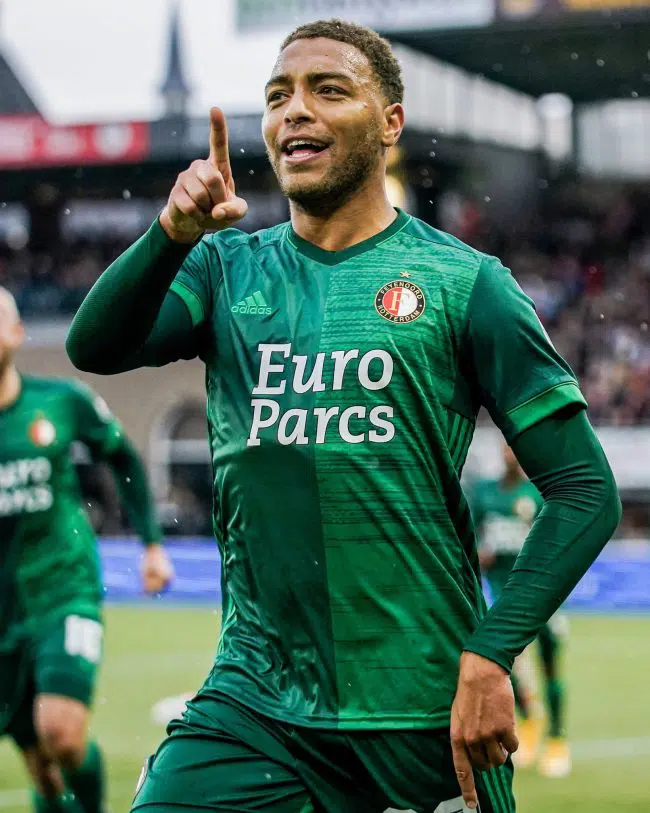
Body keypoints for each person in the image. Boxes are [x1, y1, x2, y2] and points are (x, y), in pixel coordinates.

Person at [66, 18, 620, 813]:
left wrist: (492, 653)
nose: (295, 110)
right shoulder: (225, 269)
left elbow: (586, 490)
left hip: (419, 710)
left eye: (329, 90)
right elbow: (94, 345)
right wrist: (170, 234)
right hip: (254, 703)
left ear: (390, 123)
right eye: (278, 96)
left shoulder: (467, 284)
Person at [0, 286, 173, 813]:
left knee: (62, 734)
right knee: (43, 768)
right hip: (4, 610)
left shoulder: (60, 402)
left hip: (62, 588)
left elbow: (121, 455)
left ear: (17, 333)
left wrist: (151, 544)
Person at [471, 444, 571, 778]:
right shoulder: (484, 494)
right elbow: (468, 537)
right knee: (506, 667)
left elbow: (556, 543)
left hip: (541, 596)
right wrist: (480, 552)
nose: (511, 454)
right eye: (506, 448)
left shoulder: (539, 495)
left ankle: (557, 739)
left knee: (550, 664)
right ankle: (529, 720)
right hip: (502, 597)